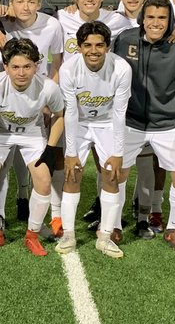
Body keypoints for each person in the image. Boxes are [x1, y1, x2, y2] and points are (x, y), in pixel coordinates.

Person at [112, 0, 175, 253]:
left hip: (169, 123)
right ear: (142, 19)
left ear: (170, 20)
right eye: (150, 17)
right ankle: (114, 225)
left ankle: (172, 229)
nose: (156, 23)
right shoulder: (125, 40)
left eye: (162, 18)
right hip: (131, 121)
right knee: (117, 174)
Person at [0, 39, 65, 256]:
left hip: (32, 134)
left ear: (36, 66)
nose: (21, 73)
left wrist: (51, 148)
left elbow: (60, 115)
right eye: (15, 67)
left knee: (43, 180)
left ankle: (32, 235)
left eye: (27, 66)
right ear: (5, 67)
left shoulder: (48, 87)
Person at [56, 21, 132, 257]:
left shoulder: (121, 68)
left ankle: (105, 236)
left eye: (99, 45)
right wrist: (70, 153)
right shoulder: (68, 69)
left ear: (107, 47)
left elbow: (119, 113)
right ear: (79, 47)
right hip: (79, 123)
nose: (93, 50)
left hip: (107, 123)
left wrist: (118, 153)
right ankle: (69, 234)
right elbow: (70, 112)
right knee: (72, 174)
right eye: (87, 45)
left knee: (112, 175)